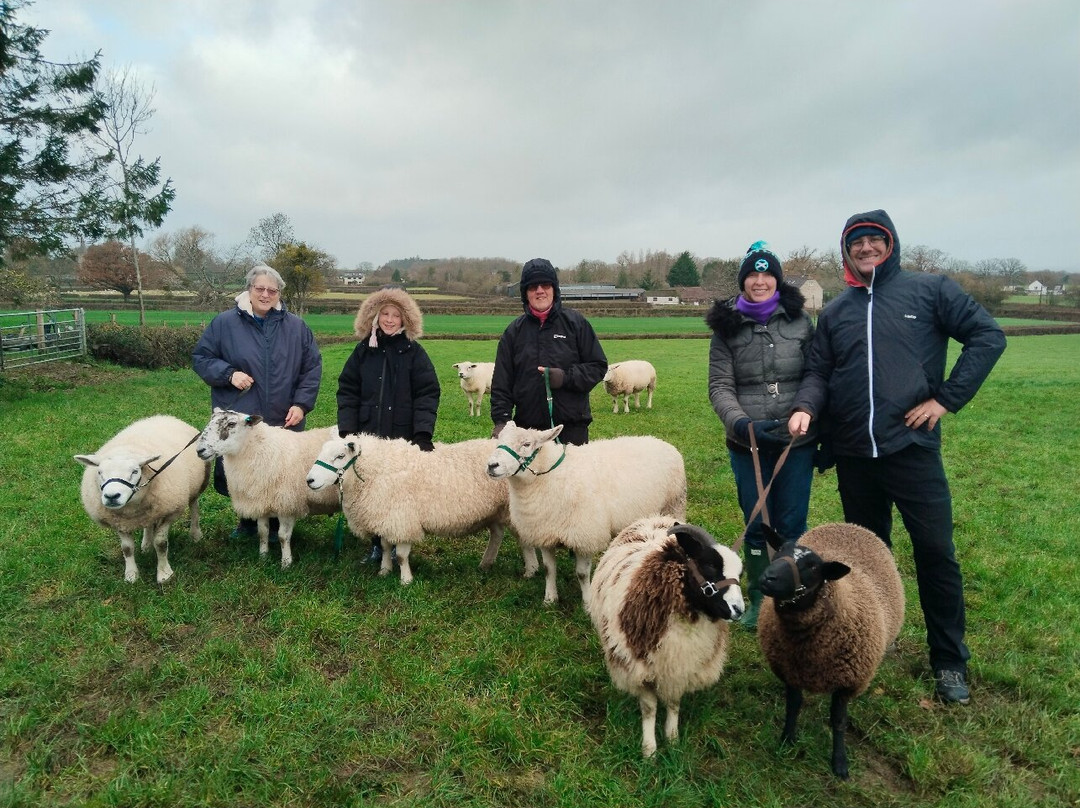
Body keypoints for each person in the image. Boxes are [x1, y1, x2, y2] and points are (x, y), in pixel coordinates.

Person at [788, 209, 1006, 705]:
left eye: (874, 240)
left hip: (911, 450)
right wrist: (805, 406)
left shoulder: (929, 291)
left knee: (935, 553)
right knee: (867, 559)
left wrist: (946, 398)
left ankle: (949, 660)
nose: (865, 248)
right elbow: (820, 372)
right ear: (846, 251)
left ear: (890, 244)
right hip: (854, 456)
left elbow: (988, 336)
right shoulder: (838, 311)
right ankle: (869, 645)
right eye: (856, 242)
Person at [706, 241, 817, 631]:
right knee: (755, 523)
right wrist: (743, 425)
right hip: (748, 443)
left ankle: (787, 594)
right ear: (743, 281)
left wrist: (803, 410)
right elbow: (720, 386)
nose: (760, 280)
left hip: (795, 442)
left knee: (791, 522)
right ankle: (756, 598)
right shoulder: (726, 329)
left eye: (767, 273)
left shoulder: (801, 321)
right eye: (752, 274)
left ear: (777, 279)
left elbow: (815, 375)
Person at [193, 263, 323, 538]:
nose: (265, 295)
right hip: (241, 413)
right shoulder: (224, 323)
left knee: (280, 469)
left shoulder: (297, 327)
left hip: (282, 412)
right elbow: (202, 358)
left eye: (272, 290)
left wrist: (301, 404)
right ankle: (248, 521)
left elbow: (311, 368)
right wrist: (229, 374)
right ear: (249, 289)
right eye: (260, 288)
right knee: (242, 469)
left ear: (279, 294)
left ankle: (278, 523)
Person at [337, 285, 440, 563]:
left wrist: (422, 433)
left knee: (398, 490)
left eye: (396, 314)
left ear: (406, 319)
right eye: (385, 313)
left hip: (402, 436)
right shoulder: (363, 351)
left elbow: (428, 394)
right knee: (370, 489)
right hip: (368, 434)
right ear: (374, 316)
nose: (390, 319)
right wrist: (347, 430)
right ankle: (375, 544)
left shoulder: (415, 353)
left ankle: (397, 544)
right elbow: (347, 389)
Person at [490, 258, 607, 446]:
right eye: (532, 286)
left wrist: (565, 378)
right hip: (529, 432)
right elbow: (502, 382)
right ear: (525, 293)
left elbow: (598, 367)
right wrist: (501, 421)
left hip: (571, 429)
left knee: (571, 477)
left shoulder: (576, 324)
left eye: (545, 284)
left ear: (554, 289)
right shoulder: (513, 332)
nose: (540, 291)